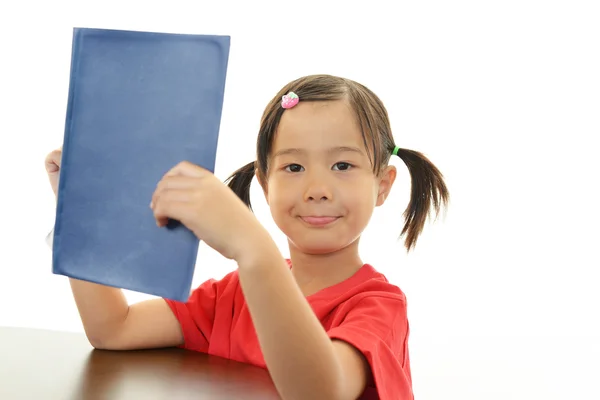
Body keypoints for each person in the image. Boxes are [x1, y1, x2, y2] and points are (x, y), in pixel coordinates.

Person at [44, 74, 449, 400]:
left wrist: (254, 249)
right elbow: (114, 329)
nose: (317, 188)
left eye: (342, 165)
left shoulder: (377, 306)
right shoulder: (233, 295)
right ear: (264, 182)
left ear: (382, 184)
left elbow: (318, 391)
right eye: (293, 168)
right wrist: (79, 208)